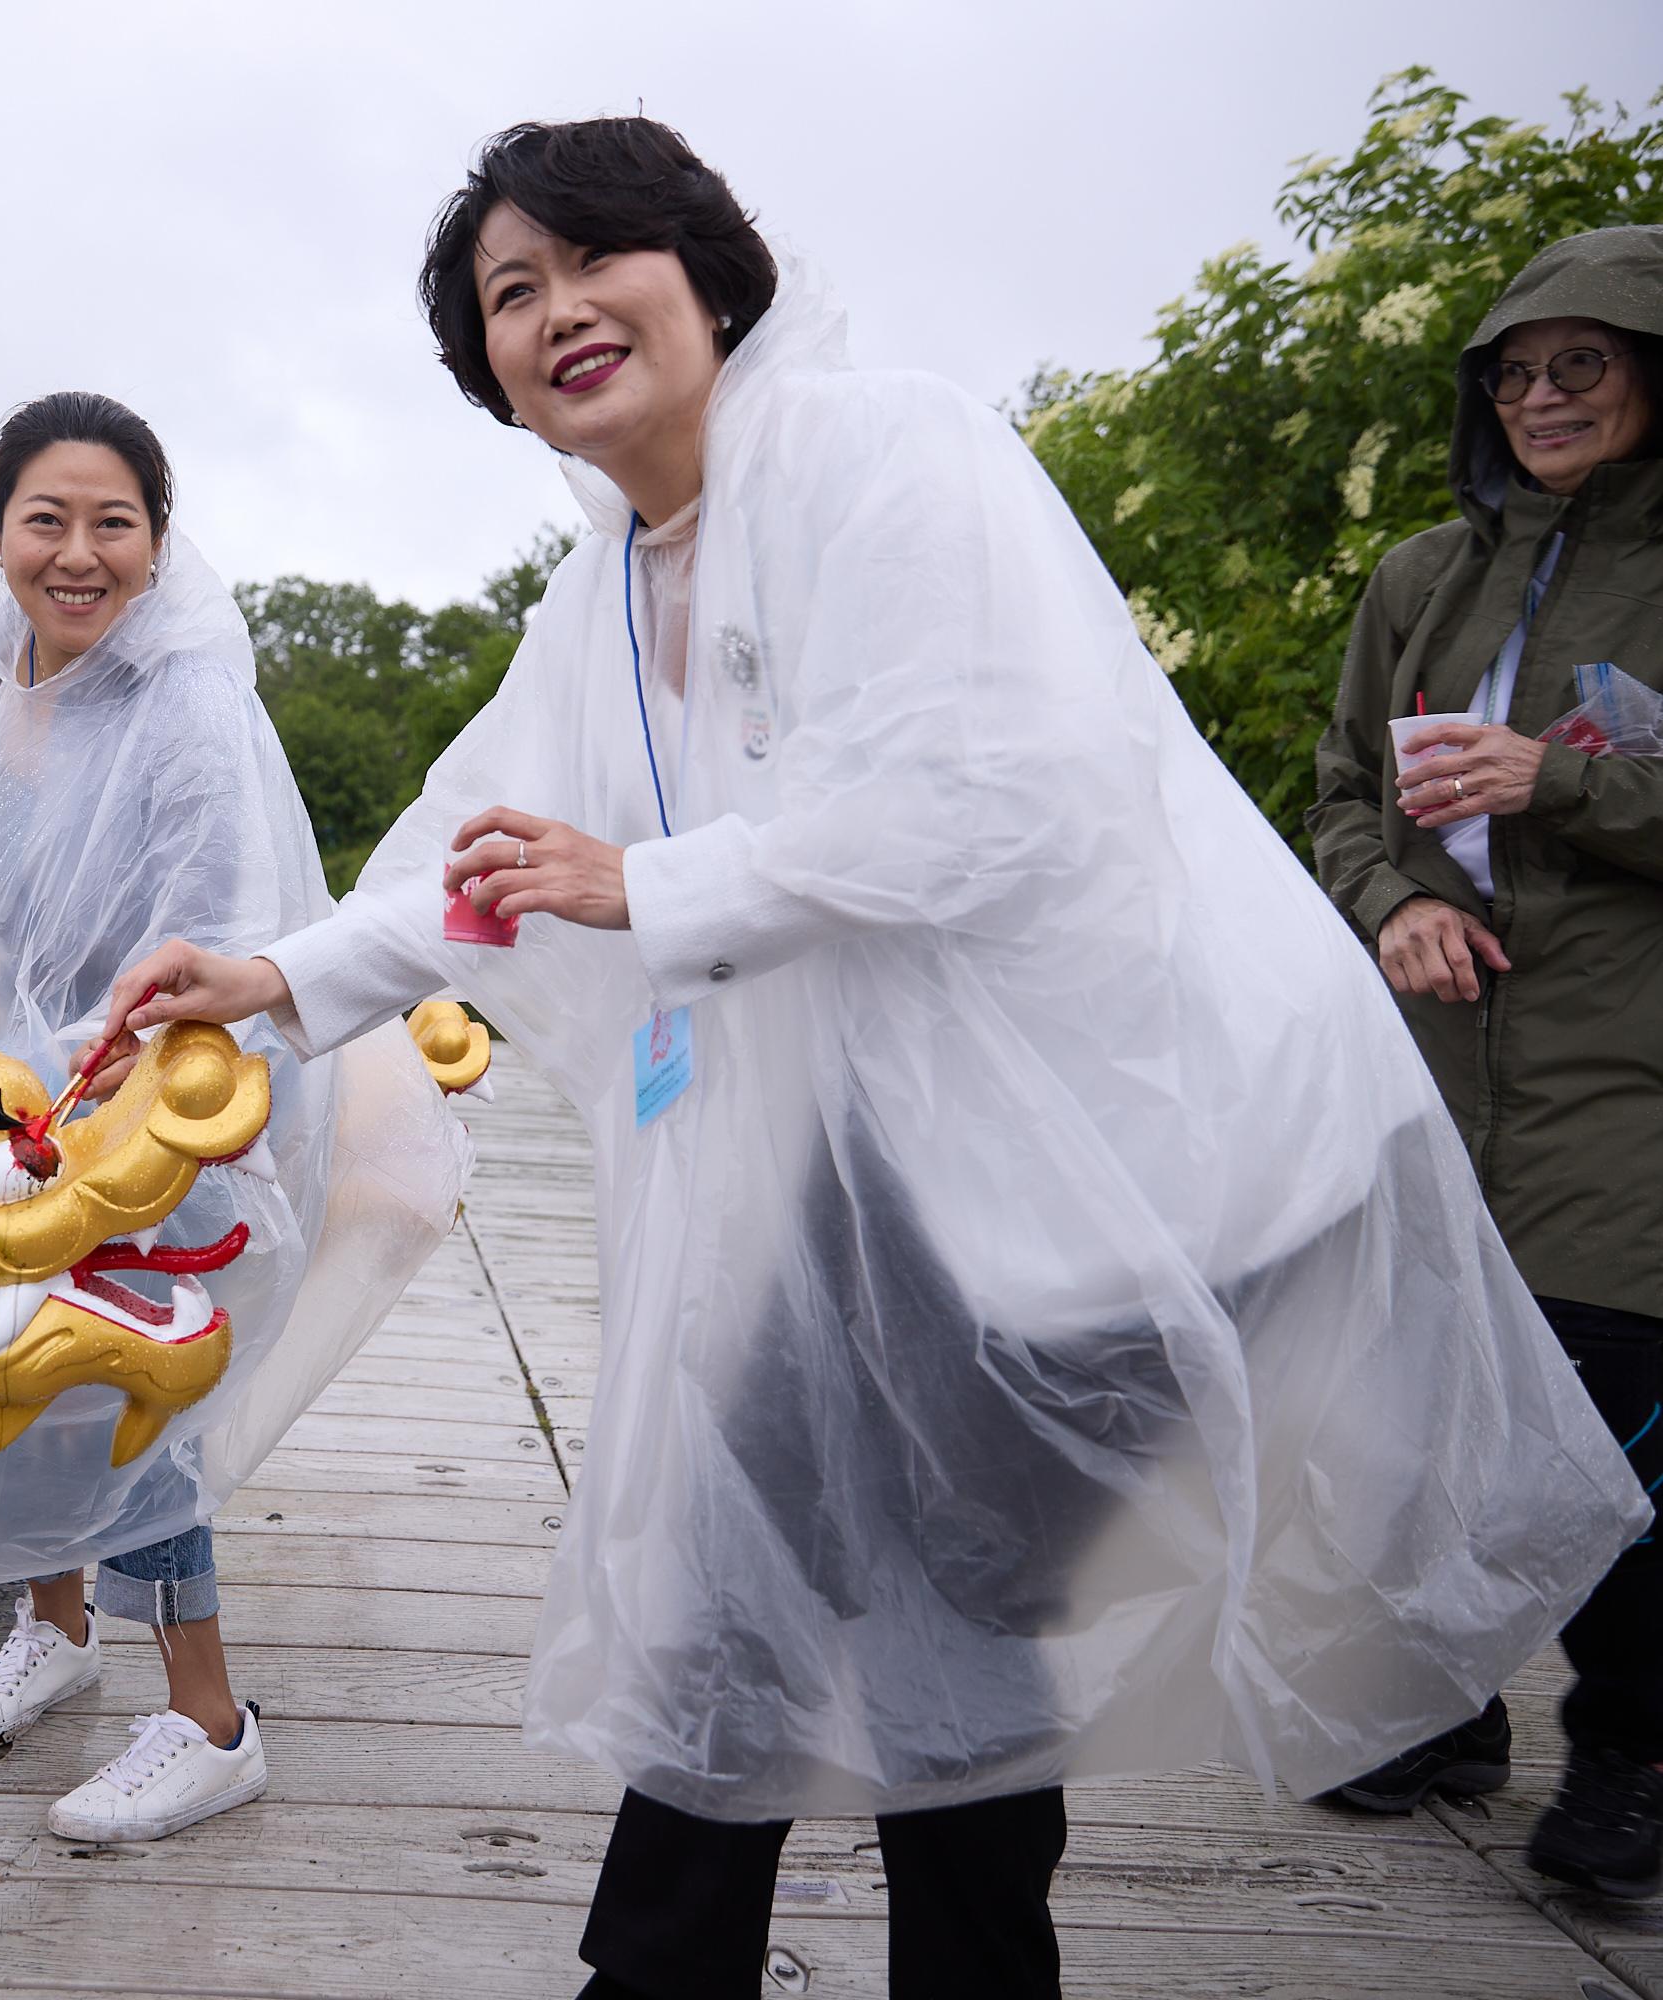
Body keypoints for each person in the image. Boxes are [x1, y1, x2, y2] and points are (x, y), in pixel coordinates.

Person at [94, 119, 1645, 1998]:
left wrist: (643, 886)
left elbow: (988, 795)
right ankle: (681, 1975)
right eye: (512, 294)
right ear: (487, 371)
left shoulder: (882, 449)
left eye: (599, 258)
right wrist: (264, 971)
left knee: (939, 1611)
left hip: (1102, 1144)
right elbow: (483, 861)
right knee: (748, 1575)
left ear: (710, 273)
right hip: (872, 1175)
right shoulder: (604, 588)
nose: (562, 310)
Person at [0, 392, 465, 1844]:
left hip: (159, 1091)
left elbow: (215, 916)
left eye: (113, 524)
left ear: (158, 540)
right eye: (46, 521)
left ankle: (209, 1719)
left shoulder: (189, 696)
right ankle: (56, 1626)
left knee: (146, 1401)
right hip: (8, 1090)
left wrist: (85, 1080)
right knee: (13, 1372)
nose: (78, 555)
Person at [1311, 224, 1663, 1895]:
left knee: (1614, 1432)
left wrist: (1562, 782)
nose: (1542, 396)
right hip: (1438, 1064)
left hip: (1628, 1075)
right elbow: (1338, 799)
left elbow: (1555, 785)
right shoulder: (1417, 583)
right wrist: (1391, 905)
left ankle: (1634, 1762)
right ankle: (1443, 1709)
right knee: (1425, 1408)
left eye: (1581, 363)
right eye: (1517, 372)